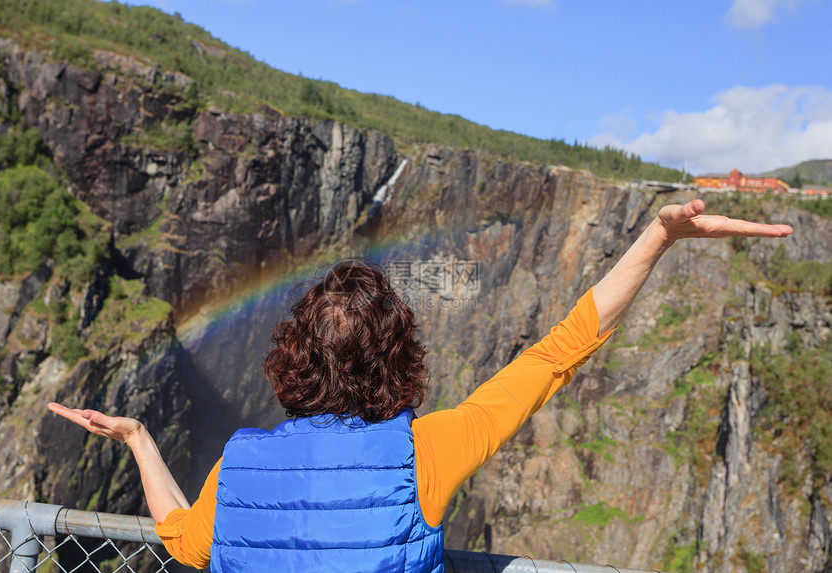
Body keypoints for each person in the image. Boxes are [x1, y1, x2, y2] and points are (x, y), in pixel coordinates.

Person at [48, 199, 793, 572]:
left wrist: (140, 440)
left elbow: (181, 538)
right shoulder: (424, 454)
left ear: (290, 358)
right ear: (398, 354)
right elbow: (553, 356)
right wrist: (658, 237)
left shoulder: (236, 466)